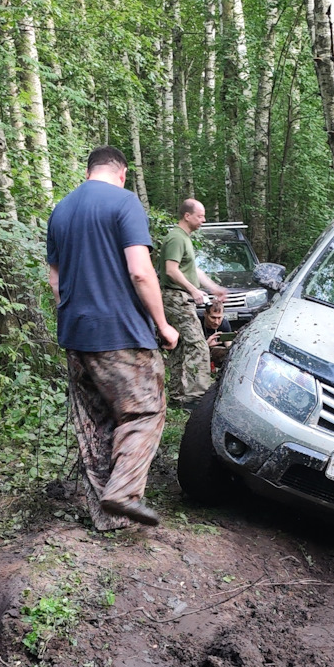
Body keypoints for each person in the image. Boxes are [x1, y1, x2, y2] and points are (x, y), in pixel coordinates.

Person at [45, 146, 178, 530]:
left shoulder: (61, 210)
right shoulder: (124, 202)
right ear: (121, 173)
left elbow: (55, 281)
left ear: (89, 171)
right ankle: (123, 493)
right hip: (121, 333)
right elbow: (140, 272)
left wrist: (75, 317)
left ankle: (108, 520)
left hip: (76, 334)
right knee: (144, 413)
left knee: (95, 425)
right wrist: (164, 325)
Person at [156, 197, 226, 403]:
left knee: (181, 346)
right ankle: (197, 396)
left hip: (178, 296)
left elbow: (192, 269)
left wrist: (213, 287)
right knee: (198, 345)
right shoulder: (176, 238)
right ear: (187, 216)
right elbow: (171, 270)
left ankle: (178, 395)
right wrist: (193, 290)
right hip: (175, 297)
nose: (203, 220)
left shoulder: (184, 238)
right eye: (200, 216)